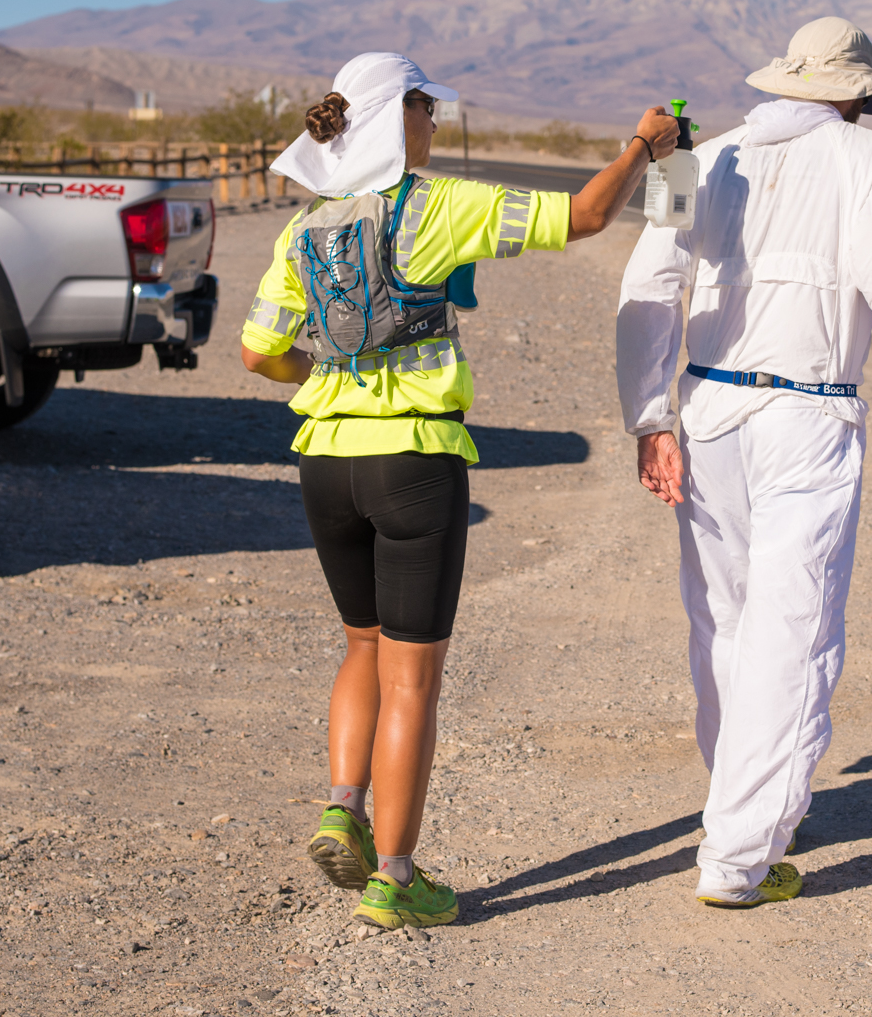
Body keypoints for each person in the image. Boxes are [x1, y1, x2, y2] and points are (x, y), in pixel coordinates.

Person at [242, 51, 678, 930]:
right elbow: (589, 216)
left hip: (324, 458)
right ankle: (397, 880)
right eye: (426, 110)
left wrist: (329, 375)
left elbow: (257, 351)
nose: (436, 125)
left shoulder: (306, 229)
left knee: (359, 646)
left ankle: (342, 809)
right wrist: (643, 144)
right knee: (414, 680)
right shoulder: (441, 205)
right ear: (393, 118)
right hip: (416, 463)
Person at [615, 17, 872, 908]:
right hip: (806, 413)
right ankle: (738, 858)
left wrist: (649, 415)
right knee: (793, 629)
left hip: (706, 410)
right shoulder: (868, 159)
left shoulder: (695, 159)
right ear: (851, 92)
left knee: (724, 621)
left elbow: (648, 284)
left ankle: (743, 803)